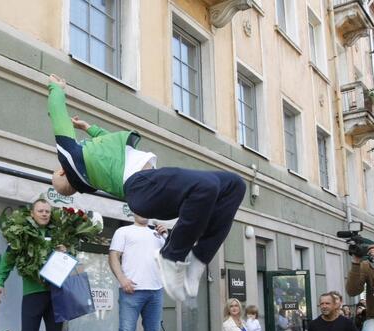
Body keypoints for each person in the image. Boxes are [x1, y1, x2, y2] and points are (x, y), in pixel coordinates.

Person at [45, 74, 245, 302]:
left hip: (152, 186)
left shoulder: (93, 164)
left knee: (234, 185)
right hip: (142, 188)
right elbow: (59, 118)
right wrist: (57, 88)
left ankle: (198, 260)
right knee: (206, 187)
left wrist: (89, 128)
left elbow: (108, 142)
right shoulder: (71, 157)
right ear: (62, 171)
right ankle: (170, 257)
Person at [0, 199, 72, 331]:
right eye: (40, 211)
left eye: (47, 211)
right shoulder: (22, 233)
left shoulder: (57, 234)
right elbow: (8, 260)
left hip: (56, 294)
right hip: (32, 293)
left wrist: (66, 251)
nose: (44, 214)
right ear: (33, 213)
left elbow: (69, 261)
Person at [108, 214, 169, 331]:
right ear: (133, 211)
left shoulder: (157, 235)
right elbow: (113, 257)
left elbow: (171, 257)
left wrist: (167, 236)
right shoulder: (123, 231)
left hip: (155, 291)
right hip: (131, 290)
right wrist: (122, 279)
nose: (143, 213)